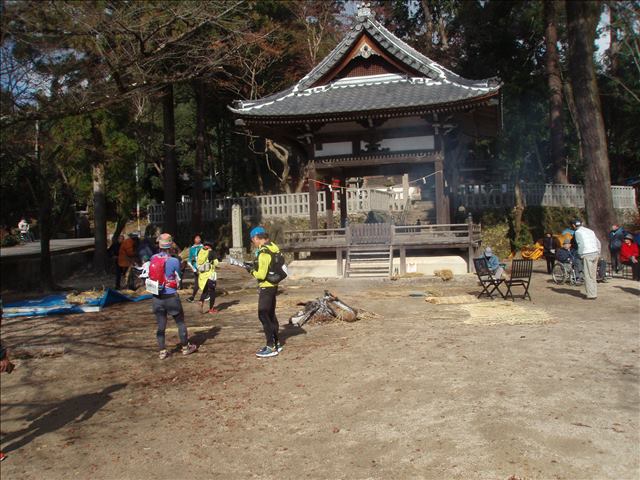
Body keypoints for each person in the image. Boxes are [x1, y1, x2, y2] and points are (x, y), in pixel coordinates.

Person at [148, 233, 197, 359]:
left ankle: (162, 351)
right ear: (170, 246)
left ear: (159, 245)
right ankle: (185, 347)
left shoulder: (153, 258)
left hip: (157, 297)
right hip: (171, 296)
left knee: (161, 325)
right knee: (180, 322)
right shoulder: (174, 261)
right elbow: (178, 275)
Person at [247, 226, 283, 358]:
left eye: (253, 240)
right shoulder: (273, 247)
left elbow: (261, 275)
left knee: (263, 314)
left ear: (257, 238)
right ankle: (276, 343)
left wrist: (251, 271)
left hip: (266, 287)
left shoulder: (263, 253)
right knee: (271, 314)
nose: (253, 243)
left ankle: (270, 346)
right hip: (274, 285)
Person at [572, 220, 601, 299]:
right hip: (595, 253)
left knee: (588, 275)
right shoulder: (590, 231)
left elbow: (580, 244)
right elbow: (598, 242)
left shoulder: (578, 232)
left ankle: (591, 295)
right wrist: (598, 252)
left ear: (574, 225)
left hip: (587, 254)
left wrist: (580, 254)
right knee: (593, 275)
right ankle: (594, 292)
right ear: (582, 224)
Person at [196, 241, 219, 314]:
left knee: (205, 290)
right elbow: (216, 263)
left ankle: (201, 301)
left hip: (202, 275)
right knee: (212, 292)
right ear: (210, 246)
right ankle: (211, 309)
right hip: (210, 275)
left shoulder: (200, 251)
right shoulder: (211, 252)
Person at [186, 234, 204, 302]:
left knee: (204, 282)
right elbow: (190, 259)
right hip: (195, 268)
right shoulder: (192, 248)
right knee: (197, 283)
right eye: (196, 238)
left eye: (199, 238)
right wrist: (194, 269)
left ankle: (206, 295)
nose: (198, 239)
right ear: (194, 239)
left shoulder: (203, 247)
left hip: (203, 268)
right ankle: (193, 297)